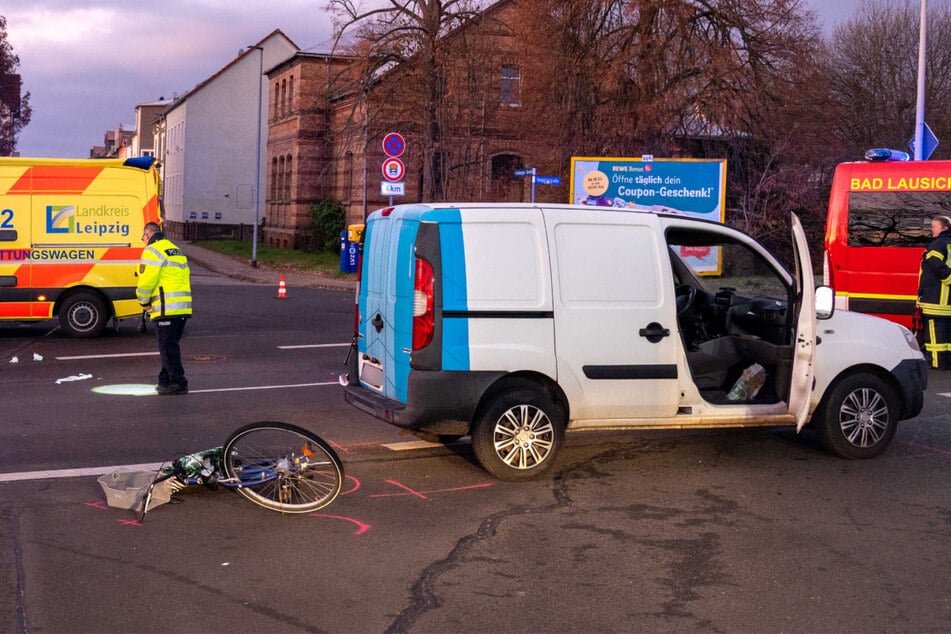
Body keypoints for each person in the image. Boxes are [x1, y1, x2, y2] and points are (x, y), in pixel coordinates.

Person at [137, 222, 193, 394]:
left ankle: (179, 383)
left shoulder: (152, 251)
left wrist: (143, 301)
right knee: (169, 347)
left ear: (148, 234)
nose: (143, 240)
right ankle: (165, 381)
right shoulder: (175, 249)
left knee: (167, 348)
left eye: (143, 237)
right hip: (182, 308)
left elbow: (146, 281)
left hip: (166, 308)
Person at [917, 215, 951, 370]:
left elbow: (936, 264)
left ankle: (937, 362)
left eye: (934, 227)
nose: (932, 230)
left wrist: (949, 278)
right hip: (947, 303)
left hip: (936, 300)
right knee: (947, 335)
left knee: (935, 334)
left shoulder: (938, 244)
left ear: (944, 228)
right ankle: (947, 362)